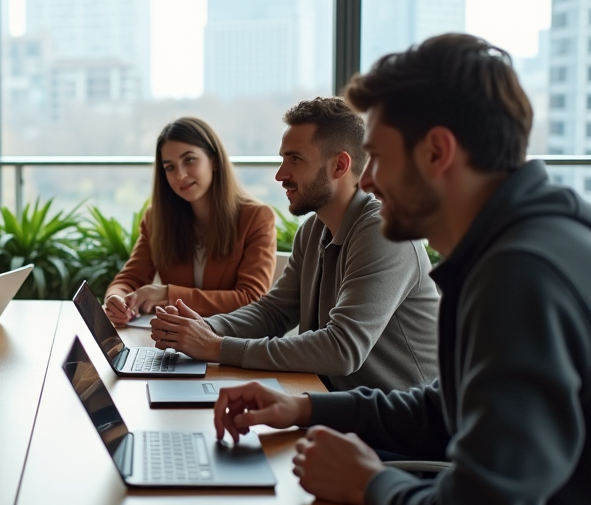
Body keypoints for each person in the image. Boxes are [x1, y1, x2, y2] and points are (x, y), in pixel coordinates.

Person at [213, 34, 591, 505]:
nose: (371, 179)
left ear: (439, 151)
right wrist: (304, 408)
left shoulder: (524, 277)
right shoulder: (521, 251)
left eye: (379, 157)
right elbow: (447, 407)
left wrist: (366, 482)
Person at [150, 98, 439, 393]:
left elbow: (342, 349)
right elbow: (273, 313)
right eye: (282, 159)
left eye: (295, 159)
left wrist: (216, 347)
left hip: (400, 428)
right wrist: (205, 329)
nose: (280, 174)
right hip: (336, 406)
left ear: (340, 165)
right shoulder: (314, 230)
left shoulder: (384, 232)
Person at [104, 117, 276, 324]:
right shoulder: (156, 219)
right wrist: (116, 299)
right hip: (172, 342)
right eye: (170, 167)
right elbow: (129, 279)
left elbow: (251, 298)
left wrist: (167, 294)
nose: (180, 175)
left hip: (229, 343)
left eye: (189, 160)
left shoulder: (256, 218)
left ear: (213, 160)